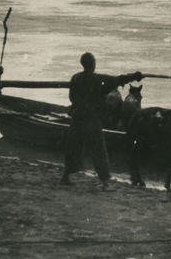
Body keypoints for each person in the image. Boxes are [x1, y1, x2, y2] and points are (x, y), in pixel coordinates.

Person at [60, 52, 142, 189]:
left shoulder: (75, 78)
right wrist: (134, 76)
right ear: (93, 64)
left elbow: (71, 98)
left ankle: (65, 177)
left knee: (73, 147)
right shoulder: (97, 79)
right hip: (91, 119)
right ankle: (105, 182)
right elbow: (117, 80)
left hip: (77, 117)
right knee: (98, 149)